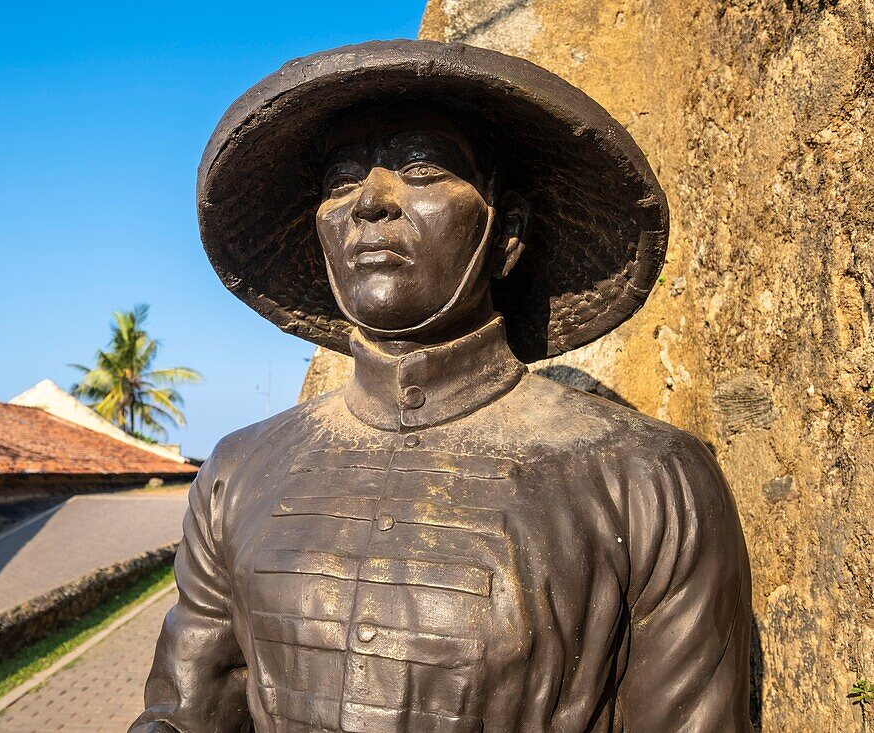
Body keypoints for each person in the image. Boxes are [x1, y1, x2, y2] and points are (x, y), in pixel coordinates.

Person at [131, 40, 751, 733]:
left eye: (421, 167)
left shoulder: (649, 478)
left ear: (507, 231)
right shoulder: (236, 474)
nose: (370, 201)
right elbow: (184, 713)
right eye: (341, 178)